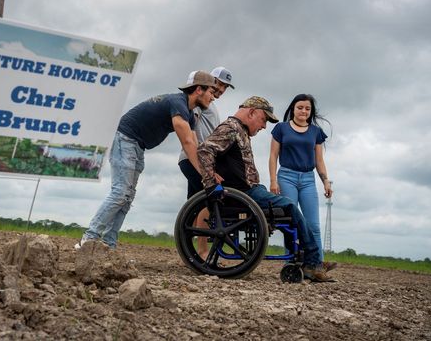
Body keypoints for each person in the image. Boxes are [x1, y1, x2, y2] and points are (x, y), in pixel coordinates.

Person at [197, 96, 334, 282]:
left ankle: (309, 259)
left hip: (250, 190)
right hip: (244, 194)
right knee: (290, 207)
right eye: (263, 120)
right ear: (252, 112)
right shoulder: (231, 128)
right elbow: (205, 150)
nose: (263, 126)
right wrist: (211, 181)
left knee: (286, 213)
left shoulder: (240, 130)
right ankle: (312, 260)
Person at [76, 71, 218, 249]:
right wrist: (206, 175)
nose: (213, 97)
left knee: (127, 198)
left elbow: (195, 144)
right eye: (211, 92)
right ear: (199, 89)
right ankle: (89, 239)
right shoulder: (178, 103)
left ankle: (108, 244)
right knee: (121, 192)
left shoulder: (189, 115)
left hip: (137, 145)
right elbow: (187, 142)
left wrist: (208, 171)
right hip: (125, 138)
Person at [268, 94, 336, 271]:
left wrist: (326, 181)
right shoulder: (281, 129)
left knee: (313, 224)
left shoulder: (315, 132)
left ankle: (317, 264)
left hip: (308, 179)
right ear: (293, 108)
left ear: (310, 111)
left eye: (307, 108)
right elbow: (273, 156)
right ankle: (291, 263)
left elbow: (319, 161)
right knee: (291, 222)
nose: (303, 111)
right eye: (300, 107)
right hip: (286, 177)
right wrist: (273, 180)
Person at [178, 66, 234, 259]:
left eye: (225, 87)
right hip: (195, 159)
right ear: (210, 81)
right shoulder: (203, 104)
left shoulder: (212, 105)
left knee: (192, 206)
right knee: (207, 203)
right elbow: (191, 125)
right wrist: (202, 161)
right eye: (218, 84)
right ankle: (201, 250)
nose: (220, 90)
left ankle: (188, 251)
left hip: (199, 159)